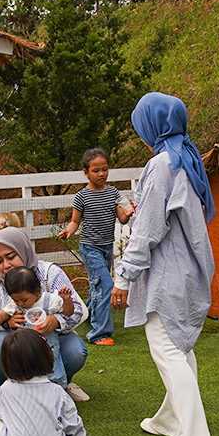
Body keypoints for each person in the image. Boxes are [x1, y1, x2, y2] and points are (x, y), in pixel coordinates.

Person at [111, 92, 218, 436]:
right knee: (180, 347)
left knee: (169, 350)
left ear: (152, 126)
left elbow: (148, 229)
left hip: (168, 274)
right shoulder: (187, 157)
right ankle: (172, 419)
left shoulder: (162, 164)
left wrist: (124, 276)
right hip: (188, 270)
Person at [0, 228, 89, 406]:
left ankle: (60, 386)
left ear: (23, 250)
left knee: (76, 351)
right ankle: (4, 389)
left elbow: (76, 310)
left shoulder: (49, 273)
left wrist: (56, 321)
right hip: (16, 344)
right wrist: (5, 324)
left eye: (11, 257)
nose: (6, 265)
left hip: (51, 338)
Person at [59, 147, 134, 346]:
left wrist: (128, 213)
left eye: (104, 169)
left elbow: (122, 219)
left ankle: (88, 313)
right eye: (96, 170)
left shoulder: (113, 193)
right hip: (90, 247)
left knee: (96, 284)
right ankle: (99, 333)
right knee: (106, 284)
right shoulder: (81, 197)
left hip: (106, 247)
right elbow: (75, 221)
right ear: (86, 172)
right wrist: (68, 231)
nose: (101, 174)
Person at [0, 266, 73, 385]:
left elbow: (68, 313)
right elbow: (0, 316)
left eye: (24, 300)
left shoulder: (50, 300)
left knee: (53, 367)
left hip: (48, 344)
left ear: (37, 291)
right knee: (23, 369)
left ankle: (56, 389)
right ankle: (22, 389)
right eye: (16, 300)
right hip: (24, 346)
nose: (20, 303)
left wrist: (67, 301)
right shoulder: (15, 305)